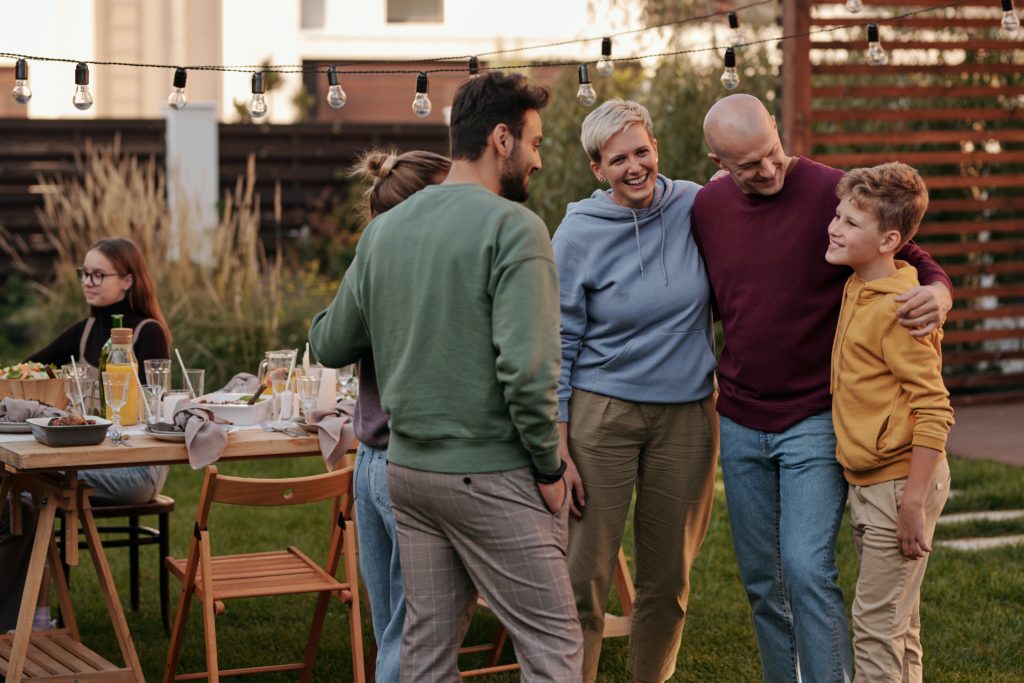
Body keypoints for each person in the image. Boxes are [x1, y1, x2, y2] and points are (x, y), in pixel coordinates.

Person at [309, 72, 583, 681]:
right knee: (554, 645)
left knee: (425, 655)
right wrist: (549, 469)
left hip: (409, 474)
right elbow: (529, 367)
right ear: (503, 140)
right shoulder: (515, 228)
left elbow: (329, 343)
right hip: (490, 471)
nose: (538, 161)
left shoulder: (383, 232)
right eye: (536, 144)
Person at [691, 94, 953, 683]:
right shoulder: (707, 206)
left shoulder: (829, 194)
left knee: (807, 569)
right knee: (764, 582)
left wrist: (940, 293)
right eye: (748, 166)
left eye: (772, 153)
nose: (769, 171)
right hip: (737, 417)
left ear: (778, 133)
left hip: (813, 417)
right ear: (718, 161)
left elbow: (904, 249)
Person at [551, 99, 716, 683]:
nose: (633, 167)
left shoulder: (697, 204)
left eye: (641, 151)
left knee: (668, 577)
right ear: (597, 169)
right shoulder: (576, 234)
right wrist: (560, 446)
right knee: (582, 576)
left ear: (656, 149)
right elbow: (559, 343)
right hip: (603, 415)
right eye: (617, 159)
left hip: (689, 416)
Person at [826, 162, 953, 682]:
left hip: (901, 483)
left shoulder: (902, 309)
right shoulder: (858, 285)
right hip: (872, 480)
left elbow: (935, 407)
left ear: (890, 240)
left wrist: (913, 503)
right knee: (900, 622)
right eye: (837, 215)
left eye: (852, 223)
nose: (835, 227)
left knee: (876, 627)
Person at [347, 148, 451, 683]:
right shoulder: (428, 274)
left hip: (367, 462)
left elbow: (332, 336)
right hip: (406, 461)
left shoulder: (373, 261)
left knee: (392, 624)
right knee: (415, 636)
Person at [26, 236, 172, 505]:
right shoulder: (85, 331)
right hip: (89, 456)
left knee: (25, 475)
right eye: (84, 274)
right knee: (18, 489)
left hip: (137, 467)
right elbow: (29, 368)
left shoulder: (148, 332)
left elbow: (154, 410)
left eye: (98, 275)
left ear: (127, 281)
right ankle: (38, 546)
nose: (87, 282)